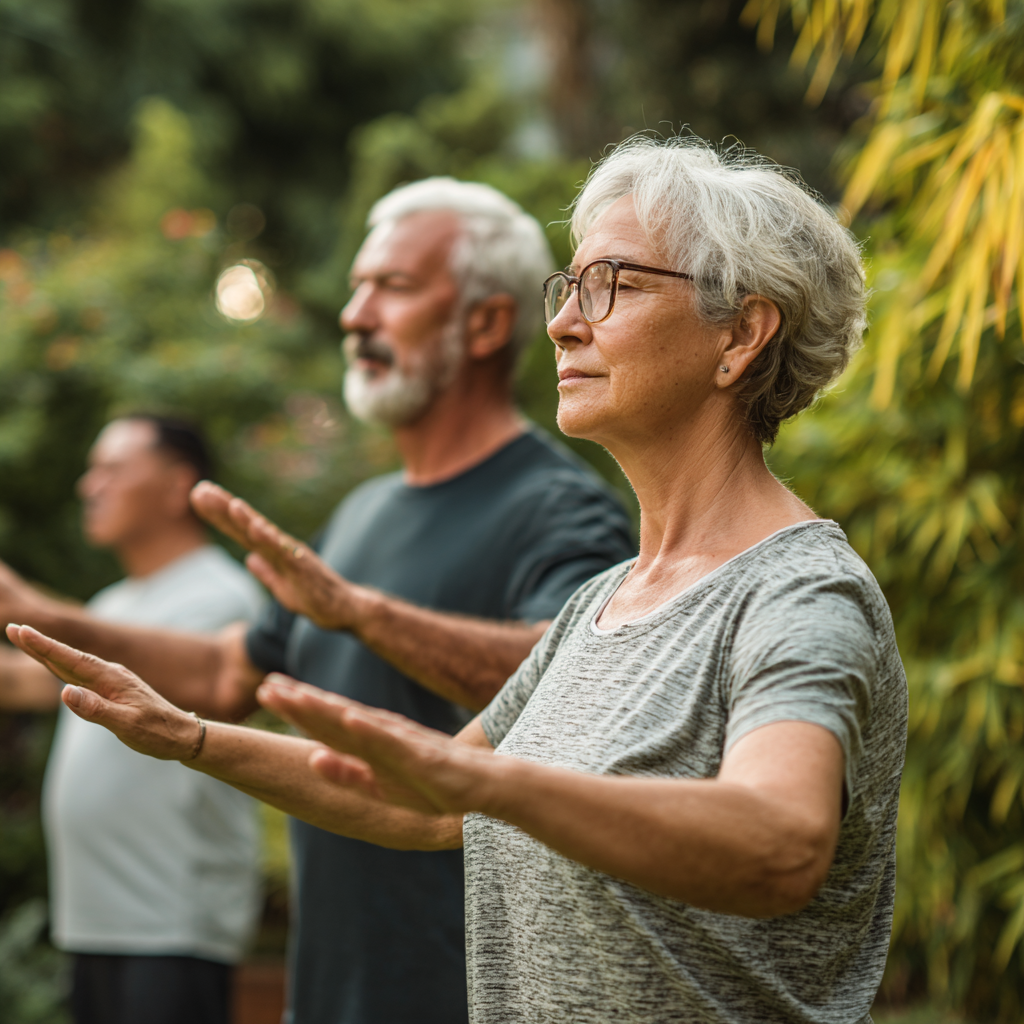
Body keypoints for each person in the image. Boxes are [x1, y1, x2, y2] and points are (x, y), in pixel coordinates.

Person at [10, 137, 910, 1023]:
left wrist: (489, 784)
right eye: (570, 284)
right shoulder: (603, 603)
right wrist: (190, 736)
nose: (562, 321)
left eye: (616, 284)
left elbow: (782, 846)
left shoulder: (798, 594)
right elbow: (425, 802)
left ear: (742, 333)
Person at [0, 179, 637, 1024]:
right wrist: (44, 614)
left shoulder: (560, 506)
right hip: (333, 989)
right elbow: (232, 671)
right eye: (356, 287)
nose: (355, 314)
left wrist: (363, 615)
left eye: (393, 288)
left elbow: (574, 689)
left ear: (486, 324)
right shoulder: (360, 513)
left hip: (472, 993)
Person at [0, 415, 264, 1024]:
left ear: (177, 487)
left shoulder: (220, 597)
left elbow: (205, 684)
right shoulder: (110, 604)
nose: (89, 486)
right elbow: (27, 681)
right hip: (93, 917)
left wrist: (22, 601)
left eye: (112, 470)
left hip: (170, 919)